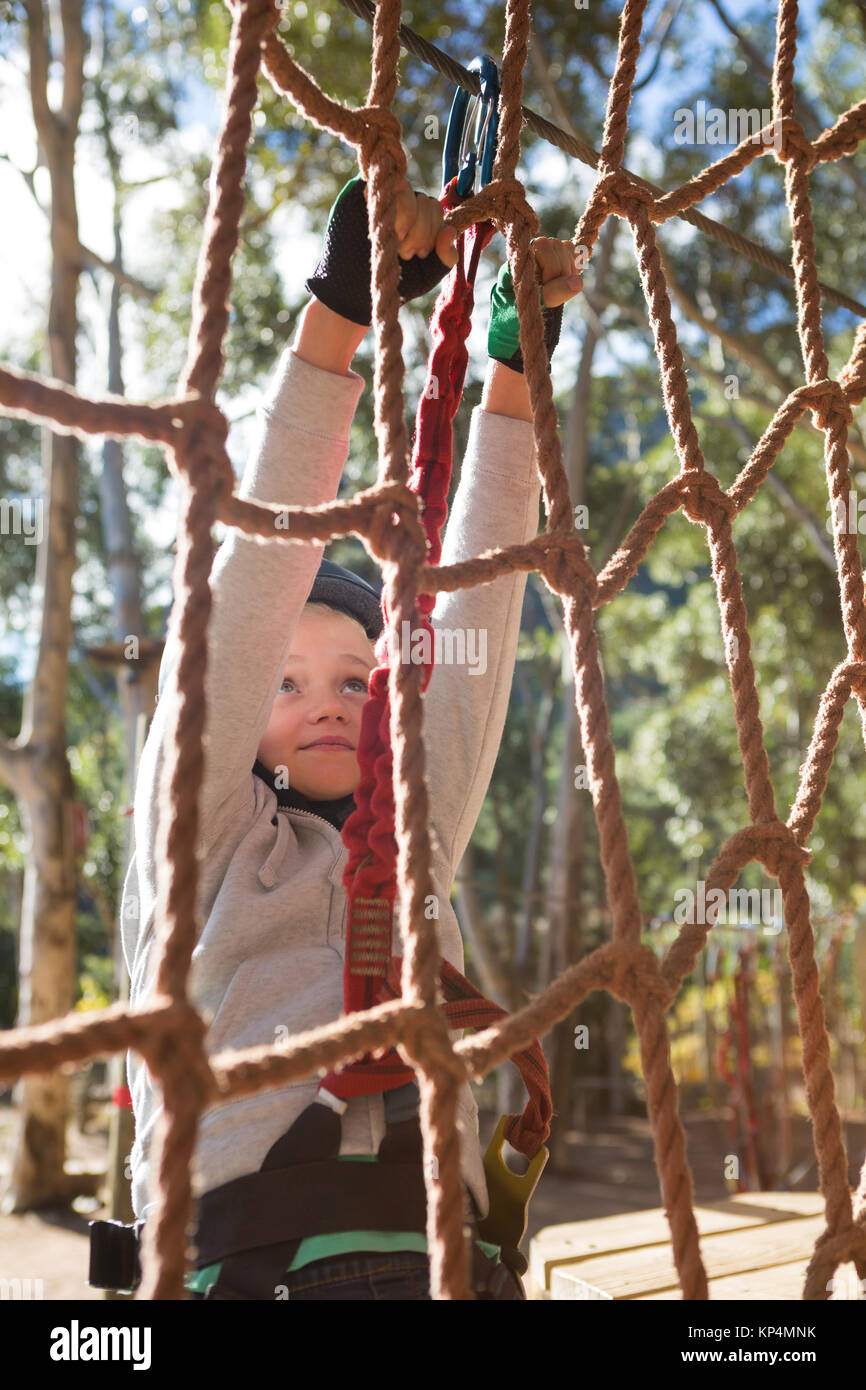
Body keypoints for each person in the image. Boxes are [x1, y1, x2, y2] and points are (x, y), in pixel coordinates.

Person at [120, 170, 583, 1300]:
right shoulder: (207, 838)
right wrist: (338, 316)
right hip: (249, 1261)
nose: (329, 696)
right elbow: (249, 591)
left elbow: (475, 601)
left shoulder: (409, 830)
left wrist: (515, 381)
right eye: (289, 681)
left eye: (357, 673)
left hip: (444, 1263)